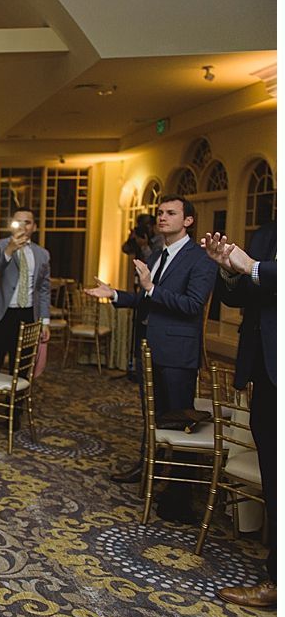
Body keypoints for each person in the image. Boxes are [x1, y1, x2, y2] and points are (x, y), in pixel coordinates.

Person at [85, 196, 217, 522]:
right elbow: (147, 298)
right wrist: (116, 294)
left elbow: (192, 305)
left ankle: (179, 495)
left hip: (177, 354)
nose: (162, 217)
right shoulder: (159, 254)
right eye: (160, 213)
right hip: (150, 348)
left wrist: (151, 287)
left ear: (188, 221)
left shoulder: (200, 258)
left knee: (180, 422)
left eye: (171, 213)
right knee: (152, 414)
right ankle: (147, 469)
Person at [201, 224, 276, 608]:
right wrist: (229, 270)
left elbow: (259, 271)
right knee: (274, 472)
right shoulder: (266, 234)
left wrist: (253, 267)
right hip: (267, 370)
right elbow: (240, 296)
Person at [0, 208, 51, 374]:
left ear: (34, 227)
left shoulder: (42, 254)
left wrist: (45, 322)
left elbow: (43, 289)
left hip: (28, 315)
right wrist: (9, 251)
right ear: (11, 225)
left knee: (21, 367)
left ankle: (17, 392)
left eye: (27, 222)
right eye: (18, 222)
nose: (22, 226)